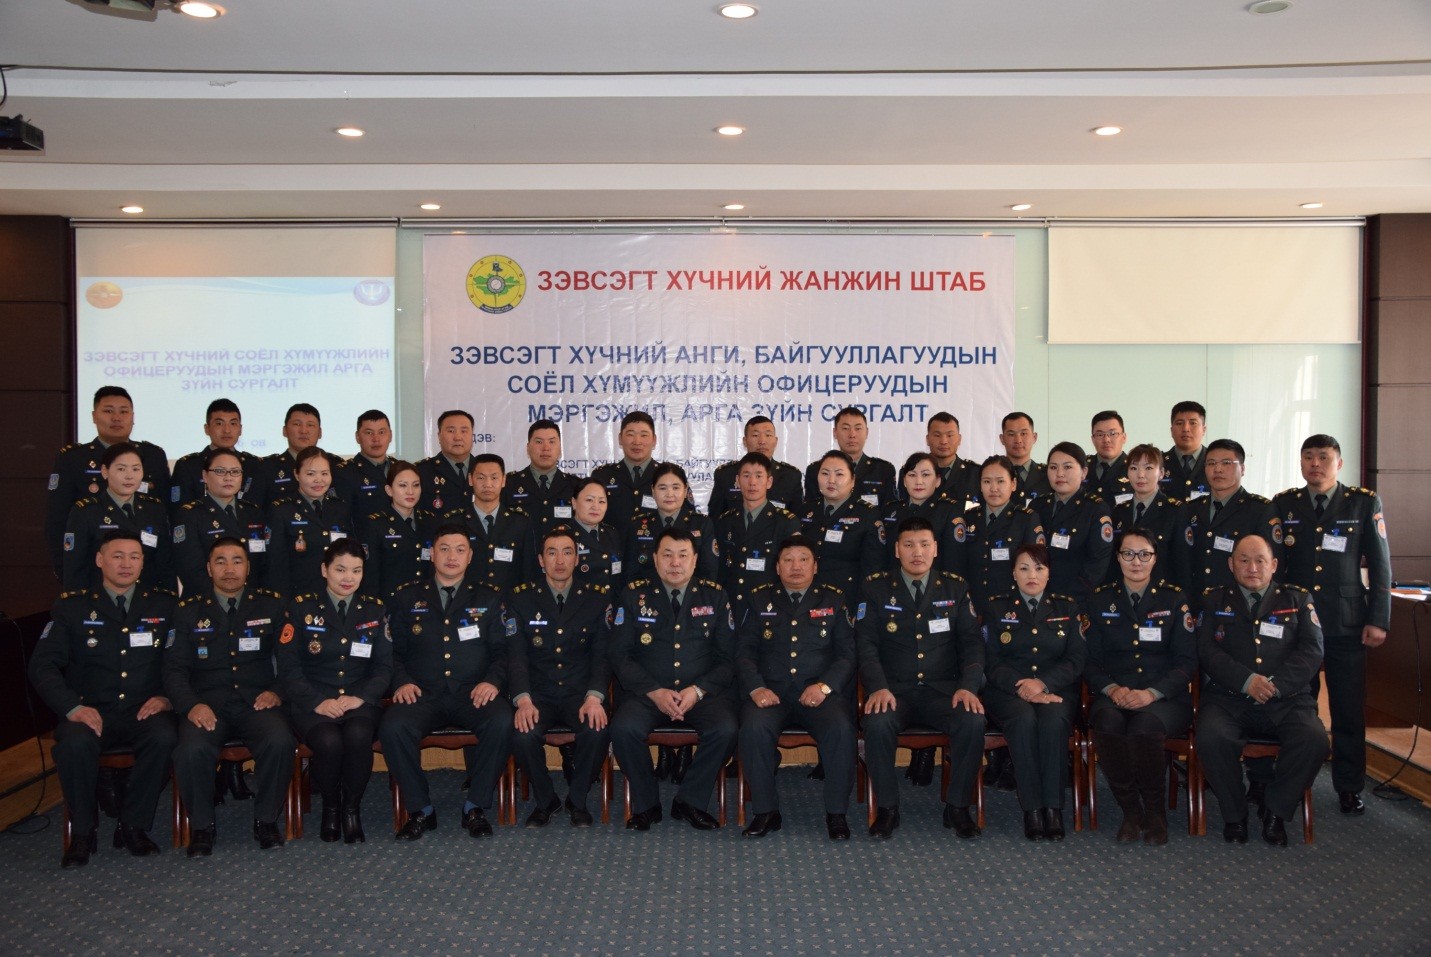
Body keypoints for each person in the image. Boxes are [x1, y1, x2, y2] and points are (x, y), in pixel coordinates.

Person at [29, 530, 178, 867]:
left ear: (143, 563)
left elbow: (179, 662)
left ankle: (133, 825)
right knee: (73, 745)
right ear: (99, 560)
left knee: (165, 737)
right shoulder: (73, 606)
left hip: (145, 709)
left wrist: (166, 698)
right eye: (117, 556)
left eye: (134, 557)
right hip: (89, 710)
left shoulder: (164, 605)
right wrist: (72, 707)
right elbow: (42, 665)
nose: (126, 564)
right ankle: (83, 831)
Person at [1272, 434, 1392, 816]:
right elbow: (1275, 567)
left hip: (1346, 624)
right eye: (1308, 457)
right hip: (1296, 626)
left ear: (1338, 463)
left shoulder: (1362, 502)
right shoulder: (1285, 503)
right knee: (1296, 706)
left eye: (1323, 457)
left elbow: (1381, 564)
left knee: (1348, 710)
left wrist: (1378, 619)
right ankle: (1293, 781)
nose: (1315, 464)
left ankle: (1349, 787)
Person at [378, 525, 512, 840]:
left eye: (460, 549)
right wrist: (401, 681)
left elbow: (504, 652)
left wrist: (492, 682)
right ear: (432, 554)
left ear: (470, 556)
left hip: (472, 693)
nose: (452, 556)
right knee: (393, 727)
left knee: (502, 720)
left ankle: (475, 806)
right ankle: (421, 810)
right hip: (422, 694)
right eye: (444, 549)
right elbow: (391, 652)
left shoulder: (489, 597)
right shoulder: (406, 597)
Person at [163, 537, 294, 854]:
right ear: (209, 569)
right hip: (207, 705)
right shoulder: (188, 611)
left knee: (280, 741)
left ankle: (266, 820)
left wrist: (277, 692)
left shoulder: (272, 605)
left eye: (237, 561)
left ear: (248, 567)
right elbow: (173, 669)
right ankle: (201, 827)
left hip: (257, 703)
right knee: (191, 749)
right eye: (220, 561)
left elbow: (291, 661)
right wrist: (191, 705)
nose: (229, 569)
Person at [857, 518, 985, 839]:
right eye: (909, 545)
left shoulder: (955, 587)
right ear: (897, 550)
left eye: (925, 544)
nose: (918, 552)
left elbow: (972, 644)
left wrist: (968, 688)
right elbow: (866, 645)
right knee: (877, 723)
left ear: (936, 549)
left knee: (972, 720)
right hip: (894, 691)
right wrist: (877, 687)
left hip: (943, 692)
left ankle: (958, 807)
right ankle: (887, 808)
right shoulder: (875, 587)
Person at [1196, 535, 1327, 846]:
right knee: (1211, 736)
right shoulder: (1214, 600)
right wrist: (1246, 681)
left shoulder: (1297, 599)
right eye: (1243, 560)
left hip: (1286, 700)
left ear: (1274, 565)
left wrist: (1276, 686)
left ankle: (1276, 811)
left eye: (1260, 561)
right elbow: (1206, 650)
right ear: (1231, 564)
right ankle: (1234, 814)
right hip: (1229, 698)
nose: (1252, 568)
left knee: (1314, 740)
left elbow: (1312, 651)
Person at [609, 528, 737, 831]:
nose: (675, 563)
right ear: (655, 559)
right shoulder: (633, 595)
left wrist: (698, 690)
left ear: (695, 560)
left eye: (683, 555)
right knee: (624, 729)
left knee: (726, 730)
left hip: (701, 694)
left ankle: (689, 801)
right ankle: (646, 805)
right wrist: (654, 691)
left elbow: (728, 658)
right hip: (648, 693)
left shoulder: (715, 595)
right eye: (667, 555)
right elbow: (619, 656)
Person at [737, 535, 857, 840]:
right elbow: (744, 652)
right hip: (771, 693)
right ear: (777, 567)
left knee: (841, 728)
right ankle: (766, 812)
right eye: (788, 560)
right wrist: (756, 688)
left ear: (815, 566)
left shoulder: (833, 599)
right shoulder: (758, 599)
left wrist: (825, 686)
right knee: (753, 728)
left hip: (819, 693)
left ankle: (836, 813)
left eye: (804, 560)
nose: (796, 566)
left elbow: (847, 655)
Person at [1082, 528, 1196, 845]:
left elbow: (1187, 662)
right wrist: (1111, 688)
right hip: (1114, 693)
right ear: (1117, 558)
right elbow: (1088, 661)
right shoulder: (1100, 599)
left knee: (1144, 728)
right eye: (1128, 554)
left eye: (1144, 554)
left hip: (1164, 698)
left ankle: (1155, 812)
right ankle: (1131, 810)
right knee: (1107, 723)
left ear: (1155, 558)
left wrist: (1151, 693)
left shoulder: (1174, 599)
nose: (1136, 561)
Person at [276, 539, 391, 844]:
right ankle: (331, 807)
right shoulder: (301, 608)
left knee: (358, 735)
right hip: (313, 701)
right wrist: (317, 702)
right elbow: (288, 668)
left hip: (359, 700)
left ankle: (351, 810)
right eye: (340, 569)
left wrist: (361, 698)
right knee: (328, 742)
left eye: (356, 570)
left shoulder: (374, 609)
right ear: (324, 570)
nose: (348, 577)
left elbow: (384, 668)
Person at [507, 528, 613, 827]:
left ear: (577, 559)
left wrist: (595, 697)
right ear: (541, 560)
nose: (560, 560)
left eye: (567, 552)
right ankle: (546, 800)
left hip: (580, 693)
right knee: (522, 734)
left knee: (597, 730)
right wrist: (522, 699)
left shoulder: (596, 598)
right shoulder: (521, 598)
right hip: (537, 693)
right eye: (552, 553)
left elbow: (603, 655)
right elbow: (515, 655)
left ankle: (577, 800)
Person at [981, 543, 1086, 841]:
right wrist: (1023, 687)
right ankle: (1032, 808)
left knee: (1053, 721)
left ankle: (1053, 808)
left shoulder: (1067, 607)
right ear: (1013, 573)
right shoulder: (996, 607)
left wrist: (1042, 684)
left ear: (1049, 573)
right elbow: (990, 661)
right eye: (1024, 568)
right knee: (1023, 719)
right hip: (1007, 691)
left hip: (1056, 690)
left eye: (1039, 568)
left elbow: (1076, 660)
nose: (1032, 575)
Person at [45, 386, 170, 577]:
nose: (117, 418)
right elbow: (57, 519)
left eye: (124, 412)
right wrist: (64, 571)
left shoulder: (153, 456)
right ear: (94, 416)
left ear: (133, 416)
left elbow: (166, 514)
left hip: (147, 573)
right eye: (108, 411)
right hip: (93, 571)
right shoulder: (73, 458)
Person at [1171, 438, 1281, 606]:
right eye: (1211, 463)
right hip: (1195, 605)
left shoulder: (1260, 510)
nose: (1218, 469)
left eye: (1226, 463)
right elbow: (1181, 561)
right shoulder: (1190, 509)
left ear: (1242, 469)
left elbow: (1270, 566)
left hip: (1238, 606)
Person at [63, 441, 174, 592]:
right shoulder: (86, 511)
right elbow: (75, 567)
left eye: (136, 469)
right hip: (100, 597)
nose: (129, 476)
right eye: (121, 469)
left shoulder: (154, 508)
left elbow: (165, 563)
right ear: (105, 471)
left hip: (147, 597)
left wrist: (169, 599)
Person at [714, 452, 801, 619]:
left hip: (769, 609)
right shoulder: (726, 521)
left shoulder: (785, 522)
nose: (752, 482)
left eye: (759, 476)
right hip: (731, 608)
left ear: (769, 482)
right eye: (746, 476)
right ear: (737, 481)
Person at [173, 448, 269, 595]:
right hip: (207, 601)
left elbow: (264, 563)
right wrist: (227, 599)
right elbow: (190, 570)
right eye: (220, 471)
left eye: (235, 472)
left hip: (252, 600)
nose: (228, 477)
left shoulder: (254, 512)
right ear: (205, 476)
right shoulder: (190, 515)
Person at [797, 450, 885, 607]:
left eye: (839, 474)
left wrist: (862, 608)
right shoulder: (806, 511)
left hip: (846, 602)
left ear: (852, 480)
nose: (831, 480)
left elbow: (872, 569)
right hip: (807, 600)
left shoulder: (867, 514)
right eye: (825, 473)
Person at [266, 447, 355, 598]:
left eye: (324, 473)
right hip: (299, 598)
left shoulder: (340, 508)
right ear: (297, 474)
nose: (318, 480)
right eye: (310, 474)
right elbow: (276, 566)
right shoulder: (282, 510)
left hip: (337, 595)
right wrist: (283, 604)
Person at [443, 452, 537, 595]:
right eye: (481, 478)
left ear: (503, 480)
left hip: (508, 603)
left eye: (494, 477)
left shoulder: (520, 523)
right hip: (465, 602)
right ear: (470, 479)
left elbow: (529, 572)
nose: (488, 484)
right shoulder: (454, 522)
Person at [1034, 441, 1114, 606]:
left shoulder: (1095, 509)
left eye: (1068, 467)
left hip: (1076, 601)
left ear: (1084, 472)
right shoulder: (1037, 506)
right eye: (1053, 467)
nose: (1060, 474)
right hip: (1037, 597)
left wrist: (1067, 599)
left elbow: (1097, 564)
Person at [963, 455, 1045, 615]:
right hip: (973, 604)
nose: (994, 488)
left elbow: (1034, 566)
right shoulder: (969, 517)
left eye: (1000, 481)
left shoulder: (1026, 518)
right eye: (987, 481)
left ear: (1013, 484)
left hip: (1011, 606)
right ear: (980, 485)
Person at [356, 460, 438, 600]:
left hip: (425, 601)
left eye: (416, 485)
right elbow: (370, 575)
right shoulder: (376, 524)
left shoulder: (430, 521)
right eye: (402, 485)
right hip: (392, 603)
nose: (410, 491)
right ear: (389, 490)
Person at [624, 462, 719, 582]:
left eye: (676, 488)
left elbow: (709, 573)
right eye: (662, 488)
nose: (669, 494)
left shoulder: (701, 524)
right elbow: (631, 574)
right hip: (647, 593)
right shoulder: (638, 525)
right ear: (653, 491)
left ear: (685, 490)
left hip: (691, 593)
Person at [167, 398, 259, 516]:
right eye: (219, 423)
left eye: (233, 423)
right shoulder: (188, 466)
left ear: (240, 429)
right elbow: (178, 511)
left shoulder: (254, 465)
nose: (227, 430)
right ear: (207, 429)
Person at [1107, 443, 1182, 587]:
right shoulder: (1118, 511)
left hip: (1162, 592)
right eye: (1134, 468)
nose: (1140, 475)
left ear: (1161, 473)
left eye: (1148, 468)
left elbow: (1182, 562)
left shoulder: (1175, 511)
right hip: (1123, 591)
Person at [882, 452, 967, 578]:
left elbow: (954, 562)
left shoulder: (949, 511)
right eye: (912, 475)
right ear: (904, 481)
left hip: (936, 585)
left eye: (925, 475)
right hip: (894, 585)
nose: (918, 481)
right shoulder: (891, 511)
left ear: (937, 480)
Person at [707, 416, 804, 516]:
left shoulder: (790, 476)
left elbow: (797, 519)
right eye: (755, 435)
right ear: (745, 441)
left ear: (776, 441)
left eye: (768, 435)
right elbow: (715, 518)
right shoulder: (726, 474)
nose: (762, 441)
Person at [802, 406, 896, 507]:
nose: (852, 434)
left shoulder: (883, 470)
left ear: (867, 432)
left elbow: (890, 511)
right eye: (845, 428)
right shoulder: (816, 470)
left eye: (858, 428)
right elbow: (810, 510)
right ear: (835, 433)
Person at [502, 419, 581, 533]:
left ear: (560, 448)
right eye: (539, 442)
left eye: (552, 442)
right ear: (528, 448)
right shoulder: (509, 484)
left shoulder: (575, 486)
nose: (546, 448)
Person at [589, 411, 663, 532]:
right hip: (613, 543)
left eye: (644, 435)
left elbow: (684, 517)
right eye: (630, 434)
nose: (637, 441)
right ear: (620, 439)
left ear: (654, 440)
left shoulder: (666, 476)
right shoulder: (602, 476)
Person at [245, 403, 322, 510]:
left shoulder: (334, 467)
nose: (304, 431)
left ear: (320, 433)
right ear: (284, 431)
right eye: (297, 424)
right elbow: (252, 511)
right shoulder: (265, 469)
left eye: (310, 425)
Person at [567, 477, 626, 594]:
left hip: (611, 602)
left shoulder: (612, 533)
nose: (596, 506)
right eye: (589, 500)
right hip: (580, 602)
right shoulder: (564, 536)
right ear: (574, 502)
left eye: (602, 501)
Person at [332, 409, 394, 518]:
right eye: (369, 433)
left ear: (390, 435)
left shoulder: (402, 469)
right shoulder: (344, 473)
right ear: (357, 437)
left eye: (381, 432)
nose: (376, 439)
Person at [415, 409, 479, 514]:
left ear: (472, 436)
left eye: (464, 431)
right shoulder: (421, 472)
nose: (458, 437)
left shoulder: (483, 470)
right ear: (439, 436)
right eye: (451, 431)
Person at [925, 412, 981, 509]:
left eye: (950, 435)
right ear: (927, 439)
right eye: (937, 435)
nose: (943, 441)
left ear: (959, 439)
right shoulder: (911, 472)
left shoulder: (976, 473)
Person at [1162, 401, 1210, 502]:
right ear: (1171, 430)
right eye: (1179, 423)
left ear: (1204, 429)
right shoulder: (1158, 463)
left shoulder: (1214, 463)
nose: (1185, 429)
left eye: (1193, 423)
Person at [998, 411, 1049, 507]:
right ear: (1002, 439)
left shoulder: (1048, 475)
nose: (1018, 440)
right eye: (1011, 434)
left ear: (1034, 437)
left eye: (1023, 433)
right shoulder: (990, 475)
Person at [1085, 410, 1130, 503]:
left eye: (1113, 433)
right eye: (1100, 434)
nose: (1106, 439)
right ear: (1093, 439)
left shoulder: (1134, 468)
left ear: (1124, 437)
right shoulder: (1081, 466)